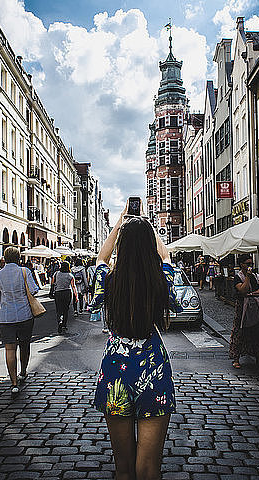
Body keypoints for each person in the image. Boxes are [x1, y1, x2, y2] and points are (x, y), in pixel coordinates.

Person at [89, 200, 183, 480]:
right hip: (154, 372)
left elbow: (100, 259)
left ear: (123, 246)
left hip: (115, 373)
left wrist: (121, 223)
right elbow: (165, 257)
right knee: (148, 467)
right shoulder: (161, 279)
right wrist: (147, 226)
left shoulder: (110, 279)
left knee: (124, 469)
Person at [0, 247, 39, 397]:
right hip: (24, 314)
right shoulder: (24, 271)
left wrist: (5, 304)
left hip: (6, 317)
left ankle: (13, 383)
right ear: (18, 258)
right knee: (24, 345)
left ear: (4, 258)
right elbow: (34, 290)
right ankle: (23, 372)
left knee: (9, 349)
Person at [229, 254, 259, 369]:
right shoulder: (238, 277)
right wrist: (247, 277)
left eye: (251, 264)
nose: (250, 266)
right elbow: (243, 290)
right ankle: (236, 359)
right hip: (243, 309)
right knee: (240, 332)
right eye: (248, 264)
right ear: (242, 265)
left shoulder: (256, 275)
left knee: (258, 332)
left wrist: (252, 294)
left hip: (256, 308)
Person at [51, 261, 78, 333]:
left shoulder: (56, 273)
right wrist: (76, 296)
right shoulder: (70, 275)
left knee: (59, 309)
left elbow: (52, 282)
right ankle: (64, 325)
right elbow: (73, 286)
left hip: (58, 293)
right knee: (66, 309)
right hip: (67, 293)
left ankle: (60, 320)